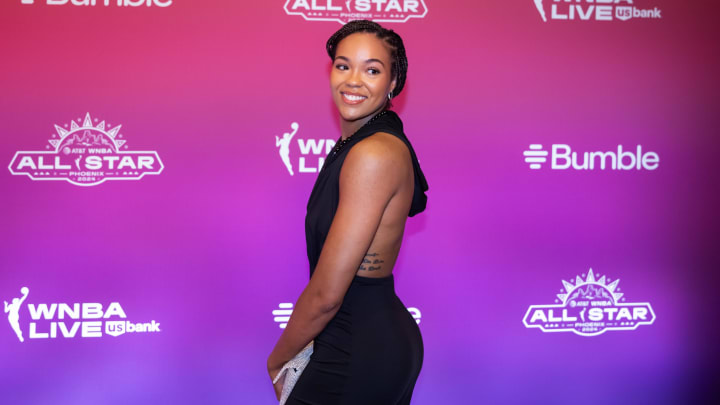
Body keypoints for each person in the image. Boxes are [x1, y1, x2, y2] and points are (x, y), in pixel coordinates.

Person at [267, 19, 429, 404]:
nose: (353, 80)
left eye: (372, 70)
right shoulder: (357, 145)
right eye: (343, 65)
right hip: (358, 341)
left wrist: (278, 359)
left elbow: (326, 294)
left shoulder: (374, 153)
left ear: (393, 83)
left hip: (357, 350)